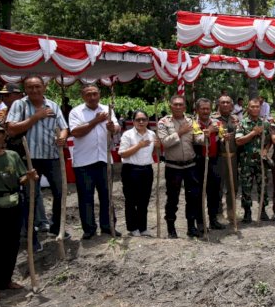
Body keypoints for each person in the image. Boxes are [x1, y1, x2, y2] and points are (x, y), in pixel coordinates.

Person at [6, 75, 69, 237]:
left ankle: (57, 227)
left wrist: (62, 137)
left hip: (52, 156)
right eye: (30, 87)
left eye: (37, 86)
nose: (34, 90)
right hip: (29, 158)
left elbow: (64, 127)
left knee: (60, 193)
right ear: (25, 89)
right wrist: (35, 117)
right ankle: (30, 233)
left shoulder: (53, 106)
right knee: (29, 196)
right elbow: (11, 129)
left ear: (44, 87)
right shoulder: (19, 105)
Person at [69, 84, 121, 239]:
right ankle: (89, 229)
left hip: (104, 160)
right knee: (86, 197)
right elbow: (76, 132)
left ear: (99, 95)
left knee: (107, 196)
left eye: (94, 94)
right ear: (83, 96)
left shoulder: (107, 109)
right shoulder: (76, 112)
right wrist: (95, 121)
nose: (92, 97)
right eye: (88, 94)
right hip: (84, 163)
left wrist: (113, 128)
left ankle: (108, 227)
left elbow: (116, 128)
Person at [0, 116, 38, 301]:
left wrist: (28, 177)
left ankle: (5, 280)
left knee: (11, 243)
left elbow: (20, 178)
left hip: (12, 203)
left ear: (4, 136)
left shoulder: (12, 156)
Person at [157, 95, 202, 238]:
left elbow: (198, 137)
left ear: (184, 107)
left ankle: (191, 227)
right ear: (170, 106)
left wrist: (206, 135)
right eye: (175, 104)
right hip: (173, 167)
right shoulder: (163, 122)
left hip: (190, 166)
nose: (177, 107)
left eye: (180, 105)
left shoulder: (191, 121)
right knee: (172, 198)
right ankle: (171, 228)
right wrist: (180, 132)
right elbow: (164, 142)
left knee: (192, 197)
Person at [118, 109, 157, 237]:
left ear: (147, 121)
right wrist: (139, 145)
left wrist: (158, 145)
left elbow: (156, 152)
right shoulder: (127, 135)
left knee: (144, 200)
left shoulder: (152, 134)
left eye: (144, 119)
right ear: (133, 121)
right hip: (131, 170)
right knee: (131, 200)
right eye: (138, 119)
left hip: (146, 170)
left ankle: (143, 227)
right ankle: (132, 227)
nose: (141, 122)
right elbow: (122, 153)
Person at [236, 97, 272, 222]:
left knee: (263, 186)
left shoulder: (265, 124)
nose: (255, 109)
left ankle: (262, 210)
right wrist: (253, 133)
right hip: (247, 161)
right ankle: (247, 212)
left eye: (257, 107)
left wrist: (266, 150)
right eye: (253, 107)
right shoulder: (243, 123)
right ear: (248, 108)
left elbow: (269, 141)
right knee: (246, 187)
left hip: (261, 162)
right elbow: (239, 141)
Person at [192, 98, 225, 230]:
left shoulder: (217, 122)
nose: (206, 111)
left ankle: (213, 219)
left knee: (214, 192)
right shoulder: (193, 123)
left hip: (214, 161)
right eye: (203, 109)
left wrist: (224, 138)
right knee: (199, 193)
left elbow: (222, 136)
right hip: (199, 161)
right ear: (197, 110)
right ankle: (200, 222)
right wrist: (210, 131)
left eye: (207, 108)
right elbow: (197, 140)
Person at [213, 95, 239, 223]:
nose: (225, 104)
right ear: (219, 104)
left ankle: (231, 212)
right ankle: (218, 213)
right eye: (222, 102)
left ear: (231, 105)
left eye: (227, 102)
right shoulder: (213, 120)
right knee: (218, 186)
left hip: (233, 157)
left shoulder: (235, 119)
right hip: (219, 158)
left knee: (232, 186)